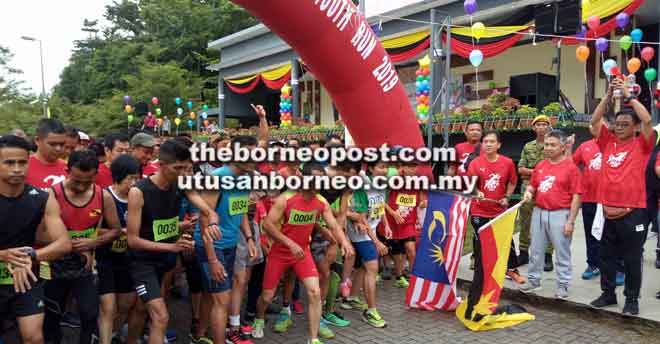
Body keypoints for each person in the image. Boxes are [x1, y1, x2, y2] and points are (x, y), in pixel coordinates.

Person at [125, 139, 220, 344]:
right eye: (178, 168)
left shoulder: (181, 184)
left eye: (187, 168)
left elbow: (203, 205)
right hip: (143, 263)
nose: (184, 173)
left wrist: (211, 217)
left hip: (165, 261)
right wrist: (173, 246)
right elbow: (132, 240)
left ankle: (130, 340)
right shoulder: (138, 192)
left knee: (143, 310)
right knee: (161, 316)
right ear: (161, 164)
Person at [251, 162, 354, 344]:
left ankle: (313, 338)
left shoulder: (321, 201)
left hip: (302, 253)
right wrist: (289, 242)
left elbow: (333, 225)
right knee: (266, 296)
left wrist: (344, 242)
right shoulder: (286, 198)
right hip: (280, 253)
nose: (317, 185)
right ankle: (259, 318)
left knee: (314, 292)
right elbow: (267, 225)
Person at [43, 150, 123, 344]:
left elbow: (116, 230)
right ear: (66, 171)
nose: (80, 186)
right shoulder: (51, 194)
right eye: (76, 180)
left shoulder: (102, 196)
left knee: (89, 314)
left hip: (85, 267)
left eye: (87, 181)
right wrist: (65, 244)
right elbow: (39, 234)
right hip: (53, 267)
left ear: (95, 174)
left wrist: (94, 242)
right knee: (52, 316)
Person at [589, 77, 653, 316]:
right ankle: (608, 294)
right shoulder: (608, 143)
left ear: (635, 128)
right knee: (605, 257)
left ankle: (632, 299)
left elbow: (647, 119)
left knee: (632, 259)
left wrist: (629, 95)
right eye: (617, 124)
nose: (620, 127)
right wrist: (608, 96)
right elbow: (595, 120)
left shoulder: (643, 144)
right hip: (608, 211)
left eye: (625, 124)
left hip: (633, 211)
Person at [0, 135, 71, 344]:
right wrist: (3, 255)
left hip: (26, 275)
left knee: (34, 338)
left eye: (22, 162)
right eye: (9, 162)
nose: (17, 168)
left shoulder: (42, 197)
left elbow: (64, 243)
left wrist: (31, 256)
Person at [191, 135, 259, 344]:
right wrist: (212, 259)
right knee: (222, 299)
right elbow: (204, 218)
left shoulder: (246, 178)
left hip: (231, 244)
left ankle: (199, 335)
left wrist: (248, 238)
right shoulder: (218, 177)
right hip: (212, 247)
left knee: (211, 296)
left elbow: (239, 212)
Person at [520, 130, 582, 299]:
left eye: (553, 145)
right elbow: (533, 185)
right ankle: (534, 281)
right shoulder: (541, 165)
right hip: (539, 211)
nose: (548, 148)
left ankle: (563, 285)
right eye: (546, 144)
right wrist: (529, 192)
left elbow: (577, 195)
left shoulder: (571, 168)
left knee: (562, 251)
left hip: (560, 213)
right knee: (536, 250)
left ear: (563, 147)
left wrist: (571, 221)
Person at [466, 131, 524, 284]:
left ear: (498, 145)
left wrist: (507, 197)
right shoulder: (475, 163)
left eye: (492, 141)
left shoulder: (507, 163)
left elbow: (512, 181)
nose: (488, 144)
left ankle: (511, 269)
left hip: (499, 210)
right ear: (482, 144)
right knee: (481, 241)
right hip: (479, 210)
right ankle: (482, 272)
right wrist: (477, 192)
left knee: (505, 239)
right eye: (485, 141)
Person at [96, 155, 142, 344]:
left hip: (128, 258)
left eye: (137, 178)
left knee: (126, 303)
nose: (134, 182)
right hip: (104, 258)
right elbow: (94, 231)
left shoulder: (139, 197)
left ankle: (110, 333)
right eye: (130, 178)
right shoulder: (104, 196)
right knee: (108, 307)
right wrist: (121, 232)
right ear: (118, 177)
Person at [345, 160, 390, 328]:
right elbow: (361, 217)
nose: (384, 170)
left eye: (386, 167)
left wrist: (387, 225)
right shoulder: (362, 185)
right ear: (370, 168)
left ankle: (351, 298)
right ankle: (371, 311)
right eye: (380, 167)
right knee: (372, 267)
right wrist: (377, 241)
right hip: (361, 233)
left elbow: (380, 206)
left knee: (364, 268)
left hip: (371, 230)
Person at [516, 115, 553, 271]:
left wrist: (531, 172)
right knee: (525, 220)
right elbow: (520, 169)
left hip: (548, 187)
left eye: (544, 125)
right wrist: (538, 172)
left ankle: (547, 255)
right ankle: (524, 252)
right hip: (528, 188)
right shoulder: (527, 146)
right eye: (538, 125)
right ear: (533, 128)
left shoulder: (553, 145)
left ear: (549, 127)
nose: (541, 127)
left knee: (548, 220)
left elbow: (557, 167)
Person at [384, 161, 426, 288]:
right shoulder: (394, 181)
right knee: (397, 252)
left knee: (411, 250)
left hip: (408, 223)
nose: (413, 170)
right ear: (403, 167)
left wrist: (423, 204)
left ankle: (414, 277)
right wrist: (394, 214)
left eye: (415, 167)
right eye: (410, 167)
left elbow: (420, 201)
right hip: (393, 222)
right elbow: (381, 200)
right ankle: (399, 276)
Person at [572, 138, 603, 280]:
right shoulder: (585, 146)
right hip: (589, 198)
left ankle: (617, 268)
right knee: (591, 234)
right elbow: (571, 165)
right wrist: (581, 180)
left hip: (610, 199)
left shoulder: (616, 143)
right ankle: (593, 265)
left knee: (611, 235)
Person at [26, 119, 68, 189]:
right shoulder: (23, 167)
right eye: (52, 144)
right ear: (37, 140)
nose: (58, 148)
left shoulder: (68, 168)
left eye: (62, 144)